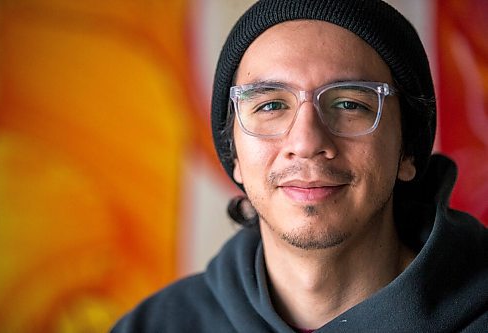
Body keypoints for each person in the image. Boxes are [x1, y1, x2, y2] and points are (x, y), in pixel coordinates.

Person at [111, 0, 488, 332]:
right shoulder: (155, 325)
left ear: (407, 150)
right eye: (271, 105)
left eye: (349, 104)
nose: (306, 143)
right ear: (235, 156)